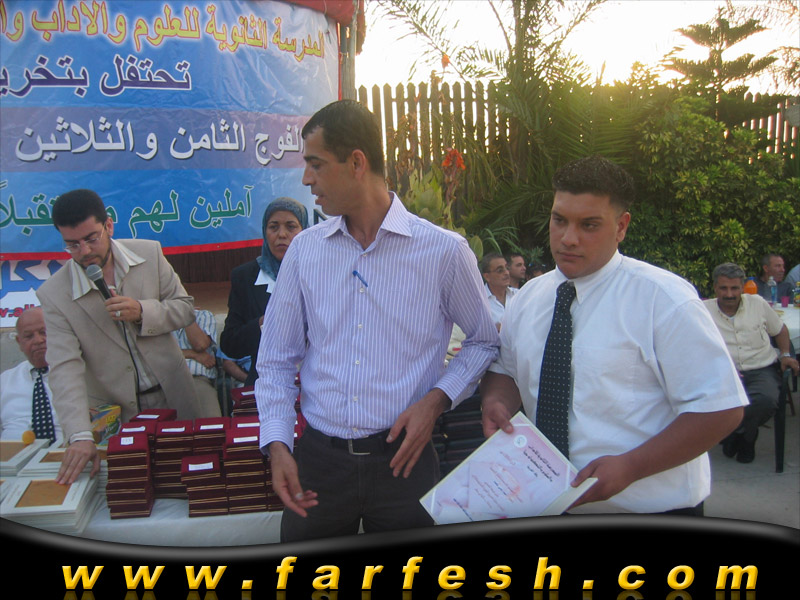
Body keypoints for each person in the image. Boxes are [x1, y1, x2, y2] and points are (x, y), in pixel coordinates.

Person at [256, 99, 499, 541]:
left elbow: (483, 340)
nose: (306, 179)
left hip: (405, 460)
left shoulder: (443, 252)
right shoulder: (305, 252)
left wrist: (436, 401)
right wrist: (278, 443)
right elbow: (275, 359)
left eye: (315, 164)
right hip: (320, 464)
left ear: (356, 163)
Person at [480, 155, 747, 515]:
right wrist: (497, 402)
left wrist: (631, 467)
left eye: (589, 225)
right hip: (547, 503)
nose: (568, 238)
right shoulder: (528, 298)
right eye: (559, 220)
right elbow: (507, 370)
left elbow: (720, 409)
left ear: (621, 226)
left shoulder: (664, 300)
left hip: (649, 512)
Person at [36, 188, 198, 484]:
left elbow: (185, 309)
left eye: (91, 238)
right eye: (72, 245)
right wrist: (79, 435)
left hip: (173, 396)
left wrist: (143, 311)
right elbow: (64, 367)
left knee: (186, 481)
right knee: (132, 491)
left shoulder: (149, 255)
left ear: (108, 226)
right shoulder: (54, 294)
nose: (84, 252)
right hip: (114, 415)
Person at [703, 262, 799, 463]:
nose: (729, 294)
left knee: (766, 400)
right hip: (723, 372)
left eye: (734, 288)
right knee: (714, 402)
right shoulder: (703, 310)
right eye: (723, 288)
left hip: (761, 368)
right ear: (715, 287)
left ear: (742, 287)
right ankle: (747, 435)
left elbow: (780, 330)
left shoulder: (757, 303)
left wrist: (785, 354)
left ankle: (738, 434)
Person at [220, 197, 308, 387]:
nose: (281, 234)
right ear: (264, 231)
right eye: (273, 227)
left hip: (318, 386)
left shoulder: (321, 272)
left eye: (291, 226)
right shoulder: (245, 277)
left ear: (305, 231)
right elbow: (230, 344)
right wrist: (263, 323)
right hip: (265, 385)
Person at [0, 307, 63, 446]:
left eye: (43, 332)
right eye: (29, 336)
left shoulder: (78, 374)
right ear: (19, 342)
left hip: (66, 454)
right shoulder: (4, 381)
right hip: (13, 457)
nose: (38, 340)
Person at [172, 309, 224, 418]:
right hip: (166, 380)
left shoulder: (203, 315)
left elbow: (200, 345)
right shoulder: (159, 318)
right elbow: (157, 353)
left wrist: (186, 315)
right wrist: (193, 354)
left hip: (197, 379)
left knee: (211, 422)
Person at [480, 252, 518, 330]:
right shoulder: (479, 301)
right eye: (500, 270)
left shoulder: (518, 294)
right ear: (487, 277)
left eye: (507, 268)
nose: (506, 273)